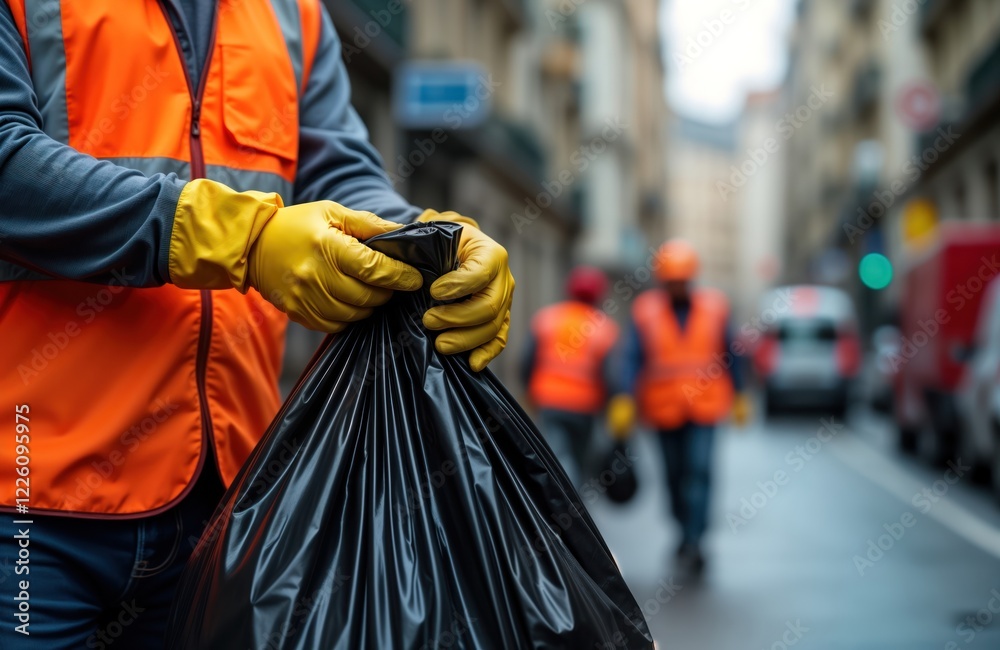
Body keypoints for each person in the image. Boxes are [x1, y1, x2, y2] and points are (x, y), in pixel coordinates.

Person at [0, 1, 513, 646]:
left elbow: (336, 171)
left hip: (227, 501)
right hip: (27, 498)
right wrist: (242, 238)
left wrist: (425, 241)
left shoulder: (292, 12)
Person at [613, 239, 750, 577]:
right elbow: (632, 357)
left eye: (682, 281)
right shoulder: (645, 311)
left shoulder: (715, 308)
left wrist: (740, 393)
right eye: (671, 281)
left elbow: (731, 352)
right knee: (674, 476)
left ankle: (695, 540)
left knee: (699, 472)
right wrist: (625, 396)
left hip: (705, 407)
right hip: (663, 409)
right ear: (663, 281)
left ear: (691, 279)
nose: (677, 287)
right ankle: (682, 529)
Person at [522, 266, 618, 486]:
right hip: (585, 407)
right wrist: (610, 407)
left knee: (556, 453)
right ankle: (575, 497)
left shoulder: (547, 318)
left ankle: (558, 493)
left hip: (548, 401)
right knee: (580, 457)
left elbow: (527, 361)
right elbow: (610, 376)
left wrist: (528, 391)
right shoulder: (604, 328)